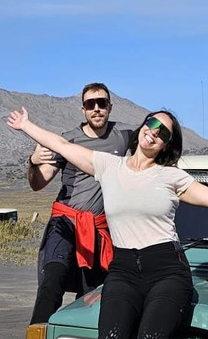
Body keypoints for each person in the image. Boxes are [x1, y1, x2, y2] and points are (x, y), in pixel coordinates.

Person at [9, 106, 208, 339]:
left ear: (166, 144)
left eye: (163, 132)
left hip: (167, 271)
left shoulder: (172, 177)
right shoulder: (108, 166)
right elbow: (61, 145)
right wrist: (26, 125)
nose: (154, 132)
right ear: (142, 126)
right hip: (122, 270)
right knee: (111, 335)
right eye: (152, 124)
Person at [26, 83, 133, 325]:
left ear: (110, 107)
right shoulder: (68, 139)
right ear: (83, 109)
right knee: (51, 282)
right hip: (65, 224)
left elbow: (152, 144)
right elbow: (38, 183)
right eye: (90, 104)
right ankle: (37, 332)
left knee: (91, 296)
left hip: (98, 229)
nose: (96, 108)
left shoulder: (123, 136)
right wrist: (33, 162)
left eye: (101, 103)